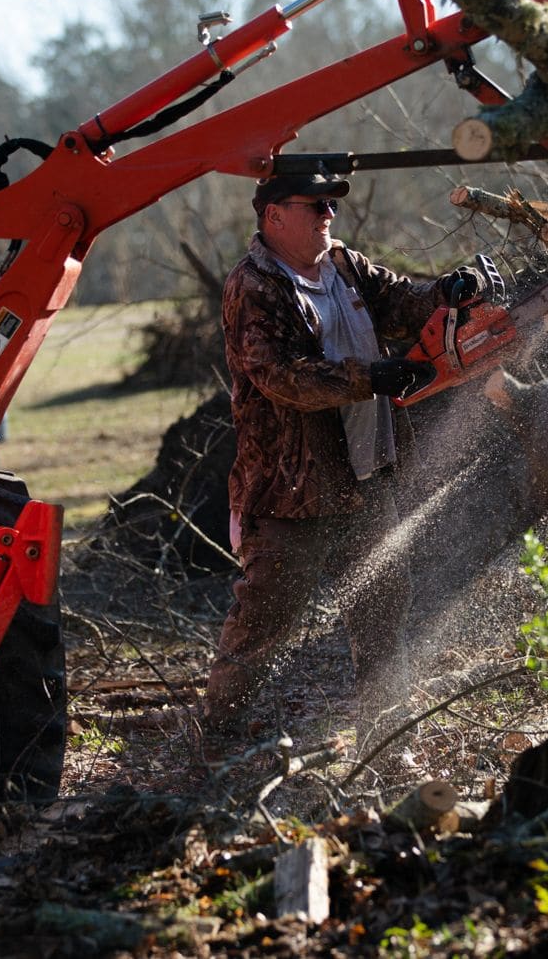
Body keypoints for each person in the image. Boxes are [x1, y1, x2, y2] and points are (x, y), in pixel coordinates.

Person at [206, 171, 479, 735]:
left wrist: (446, 292)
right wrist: (373, 377)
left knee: (384, 603)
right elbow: (281, 377)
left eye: (332, 204)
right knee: (267, 620)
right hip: (293, 487)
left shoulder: (344, 266)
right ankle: (218, 740)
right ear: (274, 215)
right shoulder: (254, 286)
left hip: (365, 472)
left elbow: (402, 301)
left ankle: (386, 730)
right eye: (317, 205)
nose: (329, 214)